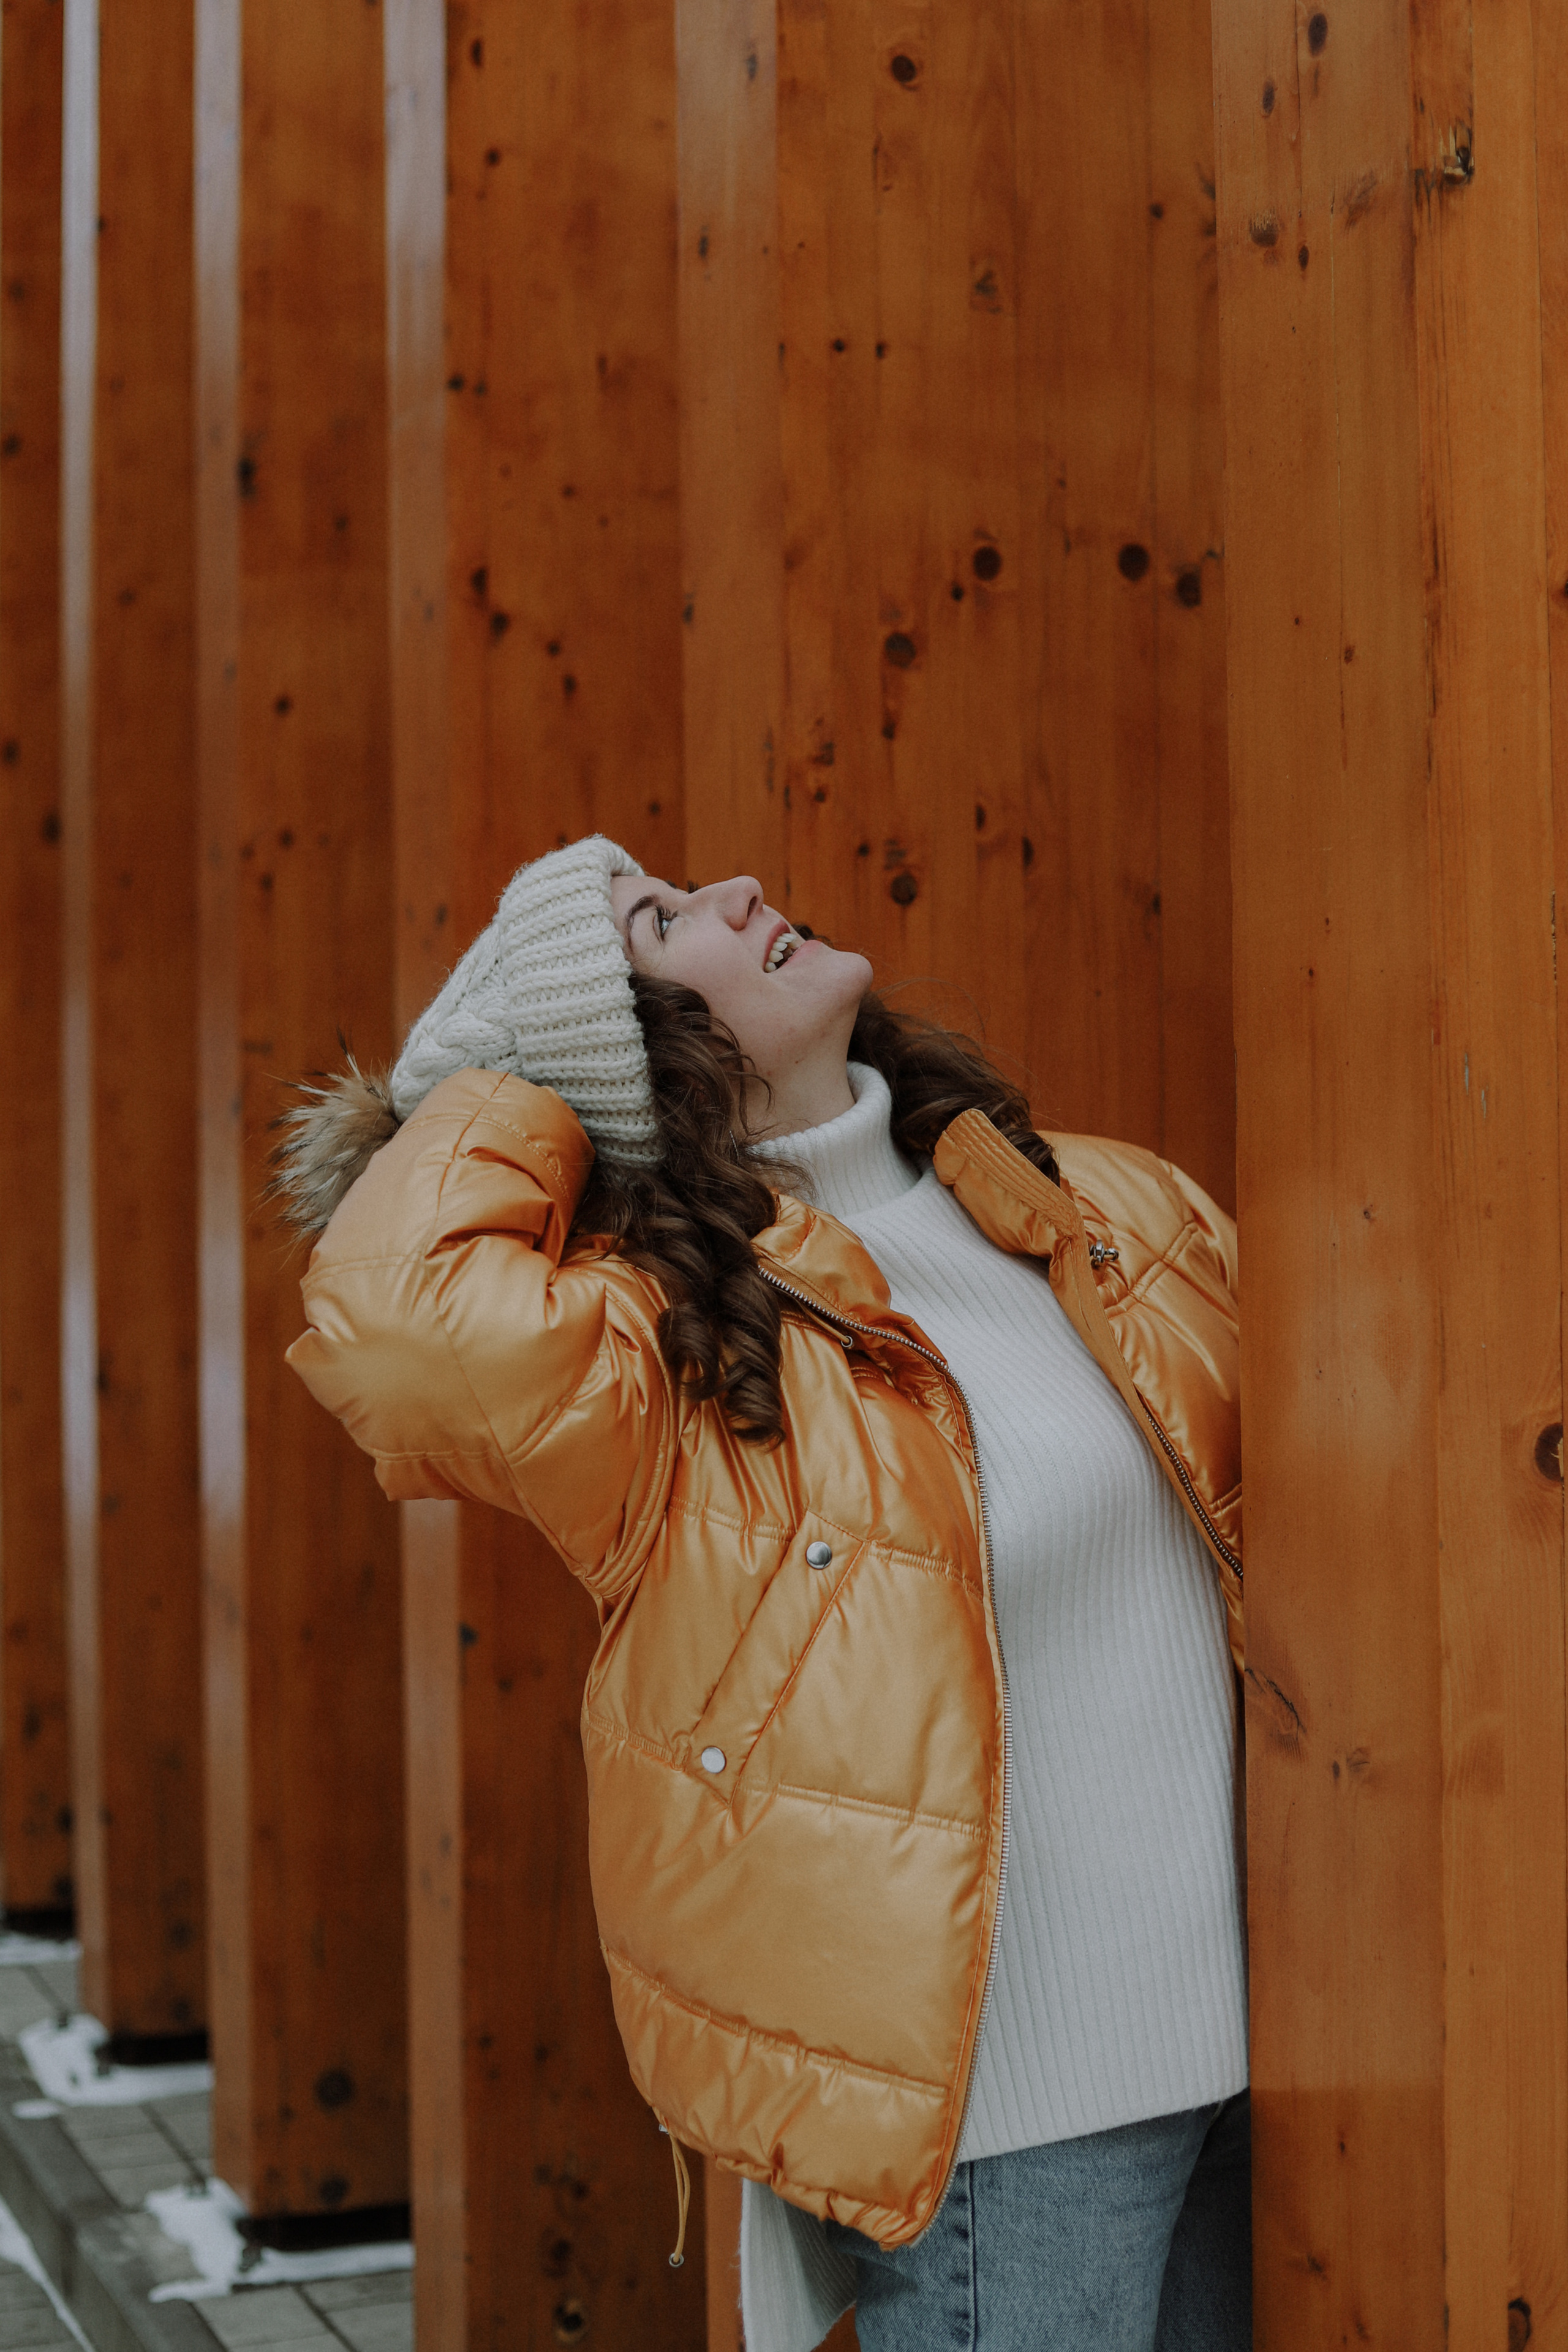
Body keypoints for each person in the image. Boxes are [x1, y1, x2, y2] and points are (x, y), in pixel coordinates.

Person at [282, 835, 1250, 2352]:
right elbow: (393, 1327)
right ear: (627, 1048)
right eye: (662, 926)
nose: (736, 893)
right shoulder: (663, 1362)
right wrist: (525, 1063)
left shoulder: (1089, 1209)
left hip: (1279, 2054)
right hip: (1006, 2125)